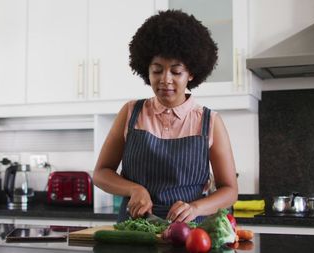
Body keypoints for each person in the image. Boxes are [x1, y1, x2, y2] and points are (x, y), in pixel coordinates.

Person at [93, 9, 238, 223]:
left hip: (188, 233)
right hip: (134, 231)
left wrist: (196, 207)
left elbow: (230, 190)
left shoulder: (209, 122)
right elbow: (101, 173)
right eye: (157, 70)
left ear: (191, 74)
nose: (165, 80)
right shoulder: (131, 113)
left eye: (176, 72)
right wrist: (134, 189)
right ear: (146, 71)